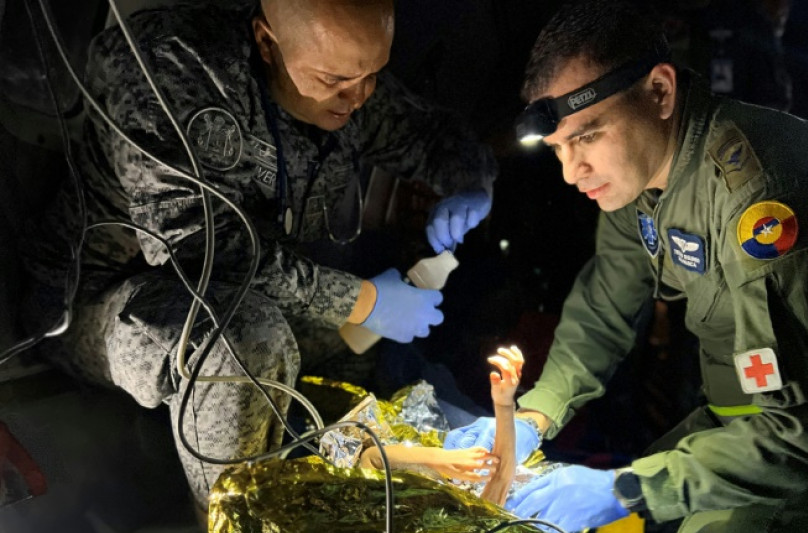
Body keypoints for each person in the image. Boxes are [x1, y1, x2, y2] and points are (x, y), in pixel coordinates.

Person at [19, 0, 495, 515]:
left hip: (248, 293)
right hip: (99, 300)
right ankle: (236, 521)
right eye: (335, 78)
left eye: (373, 75)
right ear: (268, 42)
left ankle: (368, 481)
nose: (359, 97)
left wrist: (471, 182)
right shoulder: (175, 69)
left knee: (352, 342)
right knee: (244, 342)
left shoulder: (349, 78)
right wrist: (362, 298)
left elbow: (431, 134)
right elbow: (197, 252)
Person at [443, 1, 808, 531]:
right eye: (558, 149)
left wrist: (629, 488)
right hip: (737, 430)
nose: (573, 172)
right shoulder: (639, 182)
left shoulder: (763, 195)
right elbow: (602, 310)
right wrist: (536, 414)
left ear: (659, 92)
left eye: (588, 136)